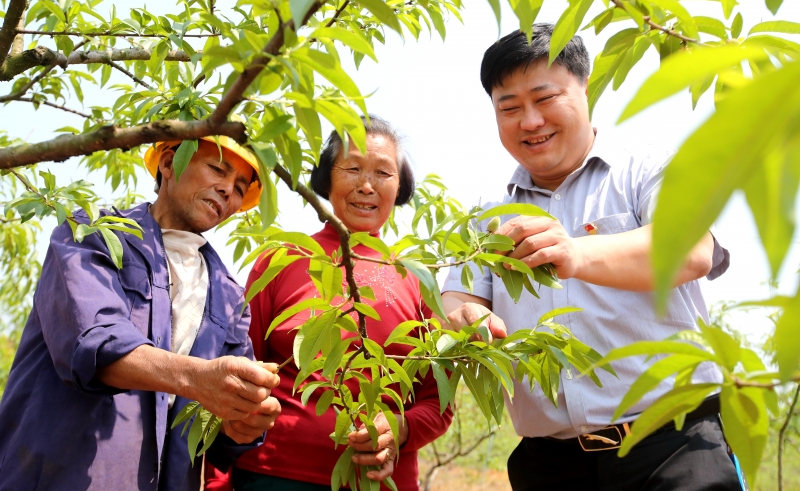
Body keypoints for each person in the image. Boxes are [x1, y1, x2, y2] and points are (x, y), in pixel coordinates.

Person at [442, 25, 741, 490]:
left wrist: (575, 253)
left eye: (545, 99)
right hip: (551, 466)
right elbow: (459, 298)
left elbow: (690, 250)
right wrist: (467, 319)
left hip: (673, 448)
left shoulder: (650, 168)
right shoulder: (487, 216)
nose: (530, 121)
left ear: (586, 87)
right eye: (510, 108)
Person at [0, 137, 281, 491]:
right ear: (168, 163)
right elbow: (96, 346)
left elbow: (215, 424)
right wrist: (198, 378)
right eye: (217, 169)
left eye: (239, 187)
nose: (227, 189)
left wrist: (239, 422)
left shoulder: (230, 296)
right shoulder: (93, 234)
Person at [205, 117, 452, 491]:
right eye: (352, 168)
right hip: (274, 475)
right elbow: (238, 367)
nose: (366, 185)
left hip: (380, 481)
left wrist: (401, 430)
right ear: (327, 177)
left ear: (400, 185)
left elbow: (439, 401)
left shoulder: (419, 277)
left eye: (383, 172)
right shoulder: (283, 258)